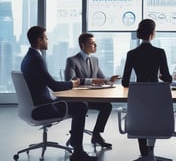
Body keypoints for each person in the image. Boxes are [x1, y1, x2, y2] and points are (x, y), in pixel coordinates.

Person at [21, 26, 97, 161]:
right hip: (42, 108)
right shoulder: (36, 59)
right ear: (39, 40)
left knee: (78, 105)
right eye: (46, 38)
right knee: (81, 106)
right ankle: (78, 152)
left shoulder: (28, 57)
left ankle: (75, 144)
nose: (48, 41)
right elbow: (54, 86)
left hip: (35, 105)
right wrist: (73, 84)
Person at [122, 18, 173, 157]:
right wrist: (165, 77)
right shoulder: (159, 52)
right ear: (152, 33)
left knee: (141, 117)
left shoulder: (131, 54)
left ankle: (144, 154)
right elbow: (168, 79)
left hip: (138, 99)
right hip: (156, 98)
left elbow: (125, 82)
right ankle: (150, 150)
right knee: (152, 116)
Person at [65, 32, 120, 149]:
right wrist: (91, 81)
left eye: (95, 43)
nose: (95, 46)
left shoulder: (95, 60)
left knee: (107, 106)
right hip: (77, 99)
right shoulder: (72, 60)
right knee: (82, 106)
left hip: (90, 98)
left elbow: (101, 78)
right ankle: (77, 145)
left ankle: (96, 135)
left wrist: (110, 80)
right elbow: (70, 79)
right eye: (92, 44)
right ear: (82, 46)